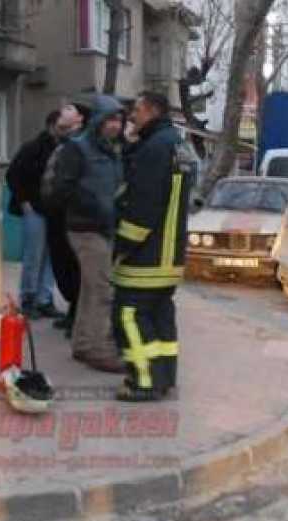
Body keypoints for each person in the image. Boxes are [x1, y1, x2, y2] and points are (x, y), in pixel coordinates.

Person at [111, 92, 191, 402]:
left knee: (129, 315)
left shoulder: (154, 149)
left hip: (146, 257)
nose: (132, 116)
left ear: (154, 111)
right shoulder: (177, 145)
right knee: (160, 316)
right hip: (170, 256)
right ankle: (164, 377)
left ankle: (143, 382)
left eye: (138, 110)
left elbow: (142, 205)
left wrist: (122, 246)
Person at [50, 95, 126, 374]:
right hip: (85, 227)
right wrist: (94, 206)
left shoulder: (111, 150)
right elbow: (62, 189)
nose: (116, 125)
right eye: (110, 119)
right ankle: (99, 348)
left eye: (119, 119)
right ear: (97, 120)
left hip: (104, 227)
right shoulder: (77, 148)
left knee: (91, 287)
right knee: (102, 288)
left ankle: (83, 342)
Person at [6, 110, 66, 320]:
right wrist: (24, 202)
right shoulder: (33, 148)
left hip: (53, 210)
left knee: (50, 256)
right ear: (51, 126)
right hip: (35, 208)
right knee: (34, 254)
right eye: (61, 127)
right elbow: (13, 174)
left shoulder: (65, 147)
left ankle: (45, 299)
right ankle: (29, 298)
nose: (64, 131)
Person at [41, 105, 86, 336]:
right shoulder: (63, 147)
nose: (66, 129)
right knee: (63, 268)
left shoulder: (81, 148)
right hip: (56, 216)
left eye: (70, 125)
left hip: (71, 217)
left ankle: (78, 317)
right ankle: (73, 313)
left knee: (74, 270)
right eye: (62, 126)